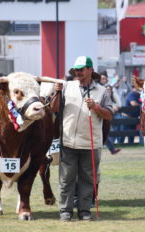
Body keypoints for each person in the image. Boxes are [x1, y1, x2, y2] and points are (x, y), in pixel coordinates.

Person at [51, 56, 114, 221]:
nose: (77, 72)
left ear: (90, 70)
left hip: (90, 144)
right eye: (76, 70)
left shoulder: (102, 91)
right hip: (68, 142)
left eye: (81, 69)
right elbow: (54, 108)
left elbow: (108, 115)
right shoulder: (66, 87)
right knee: (66, 180)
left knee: (88, 180)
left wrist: (96, 107)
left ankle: (84, 211)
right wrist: (57, 92)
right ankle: (65, 211)